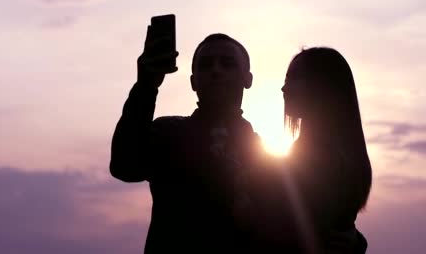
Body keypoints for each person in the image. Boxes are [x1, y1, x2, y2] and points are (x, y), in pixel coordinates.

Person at [109, 30, 262, 253]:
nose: (216, 70)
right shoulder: (168, 134)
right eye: (206, 64)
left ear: (247, 79)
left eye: (227, 63)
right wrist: (146, 85)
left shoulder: (263, 157)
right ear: (193, 81)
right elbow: (124, 164)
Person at [246, 47, 372, 253]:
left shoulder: (320, 158)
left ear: (323, 86)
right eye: (287, 78)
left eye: (295, 78)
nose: (284, 88)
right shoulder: (334, 153)